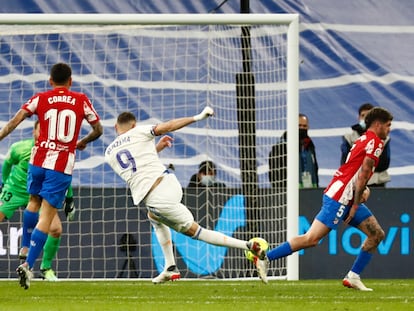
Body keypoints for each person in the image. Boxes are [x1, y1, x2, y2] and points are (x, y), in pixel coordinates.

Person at [104, 107, 268, 284]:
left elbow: (133, 163)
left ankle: (251, 247)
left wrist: (198, 117)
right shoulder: (139, 132)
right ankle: (170, 267)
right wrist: (195, 118)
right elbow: (168, 127)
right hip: (167, 182)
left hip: (157, 197)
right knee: (154, 218)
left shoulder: (109, 153)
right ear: (134, 124)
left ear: (115, 127)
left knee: (196, 232)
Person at [260, 107, 393, 291]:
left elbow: (353, 170)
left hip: (345, 193)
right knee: (311, 239)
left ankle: (353, 276)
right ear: (377, 124)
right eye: (388, 125)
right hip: (342, 197)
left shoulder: (362, 139)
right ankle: (265, 258)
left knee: (376, 234)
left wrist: (362, 191)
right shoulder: (376, 143)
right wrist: (355, 203)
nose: (389, 130)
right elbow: (362, 174)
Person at [0, 62, 103, 289]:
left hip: (37, 160)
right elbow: (99, 129)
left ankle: (25, 246)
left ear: (50, 81)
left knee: (33, 202)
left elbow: (14, 122)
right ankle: (28, 264)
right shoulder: (81, 99)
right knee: (47, 216)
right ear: (70, 81)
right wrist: (82, 142)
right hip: (61, 164)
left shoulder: (40, 98)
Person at [0, 120, 76, 281]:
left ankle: (45, 268)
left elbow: (64, 178)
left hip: (41, 194)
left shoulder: (56, 154)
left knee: (56, 229)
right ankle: (25, 248)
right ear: (34, 132)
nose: (43, 135)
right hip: (15, 189)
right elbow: (6, 165)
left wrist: (69, 199)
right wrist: (3, 185)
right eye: (40, 131)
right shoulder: (19, 148)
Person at [341, 103, 391, 187]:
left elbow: (383, 164)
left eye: (368, 115)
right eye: (363, 115)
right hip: (355, 183)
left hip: (377, 183)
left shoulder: (384, 138)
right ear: (358, 117)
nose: (365, 119)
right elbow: (346, 162)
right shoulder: (349, 137)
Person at [268, 113, 319, 189]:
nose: (302, 128)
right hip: (288, 192)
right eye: (299, 125)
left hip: (310, 190)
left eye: (304, 126)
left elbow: (315, 168)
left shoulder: (310, 146)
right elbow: (275, 172)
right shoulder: (281, 147)